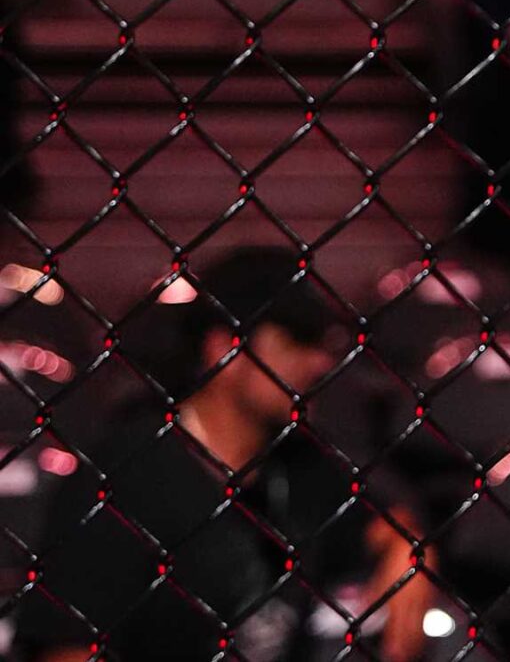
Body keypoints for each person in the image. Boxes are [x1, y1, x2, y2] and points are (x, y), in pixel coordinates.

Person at [20, 248, 435, 661]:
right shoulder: (124, 476)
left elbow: (382, 524)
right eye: (297, 341)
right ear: (225, 349)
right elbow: (66, 651)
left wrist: (408, 550)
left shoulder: (295, 462)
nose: (320, 362)